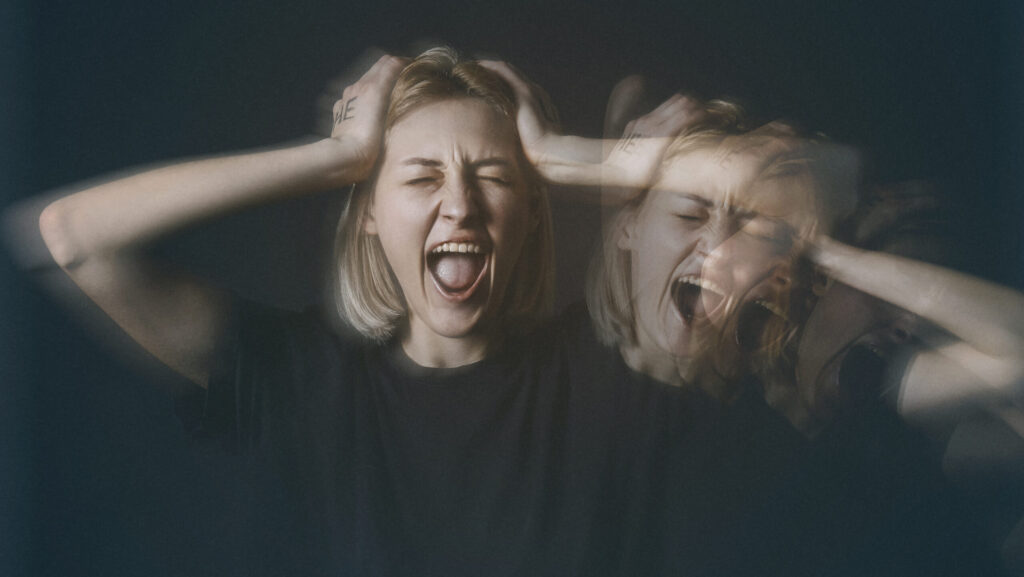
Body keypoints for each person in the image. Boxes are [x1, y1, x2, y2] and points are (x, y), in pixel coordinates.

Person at [25, 47, 671, 576]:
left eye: (494, 176)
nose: (461, 204)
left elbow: (767, 214)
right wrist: (334, 156)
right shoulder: (303, 376)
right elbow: (74, 237)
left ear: (533, 212)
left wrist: (572, 156)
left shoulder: (606, 369)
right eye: (422, 177)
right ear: (367, 214)